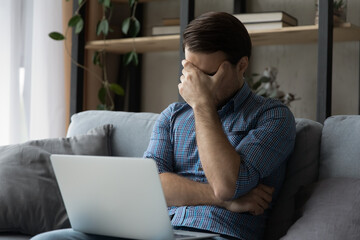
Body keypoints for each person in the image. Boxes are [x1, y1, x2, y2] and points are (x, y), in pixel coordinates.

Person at [32, 11, 296, 240]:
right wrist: (228, 202)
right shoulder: (172, 117)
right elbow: (152, 186)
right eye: (189, 69)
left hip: (219, 234)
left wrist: (202, 105)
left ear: (242, 65)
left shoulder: (272, 117)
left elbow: (226, 185)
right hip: (155, 232)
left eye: (206, 74)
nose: (194, 80)